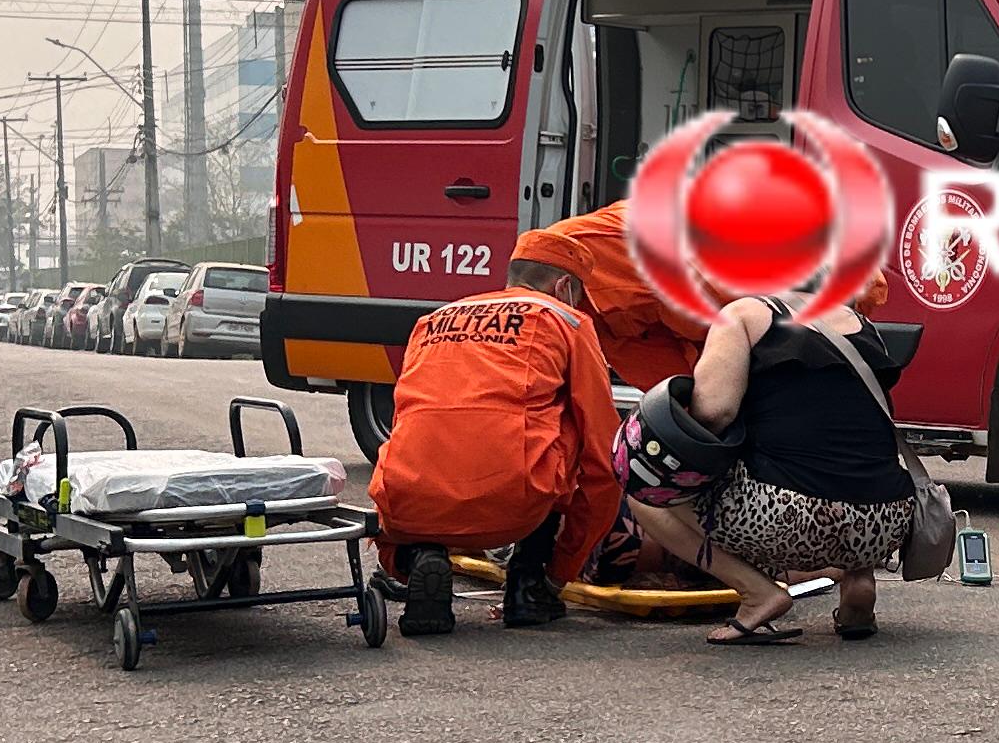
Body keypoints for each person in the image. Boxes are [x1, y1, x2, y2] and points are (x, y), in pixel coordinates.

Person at [621, 284, 914, 646]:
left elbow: (715, 412)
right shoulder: (860, 324)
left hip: (786, 519)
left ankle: (758, 593)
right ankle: (859, 584)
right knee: (844, 450)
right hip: (886, 524)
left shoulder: (743, 315)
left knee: (647, 494)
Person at [365, 255, 626, 636]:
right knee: (566, 427)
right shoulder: (567, 319)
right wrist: (559, 575)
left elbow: (405, 418)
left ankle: (417, 556)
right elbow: (605, 457)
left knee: (420, 433)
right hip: (515, 505)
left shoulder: (433, 320)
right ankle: (527, 584)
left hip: (410, 499)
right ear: (563, 288)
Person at [505, 201, 702, 391]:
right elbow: (646, 365)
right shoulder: (542, 286)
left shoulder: (642, 257)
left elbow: (725, 323)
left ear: (562, 287)